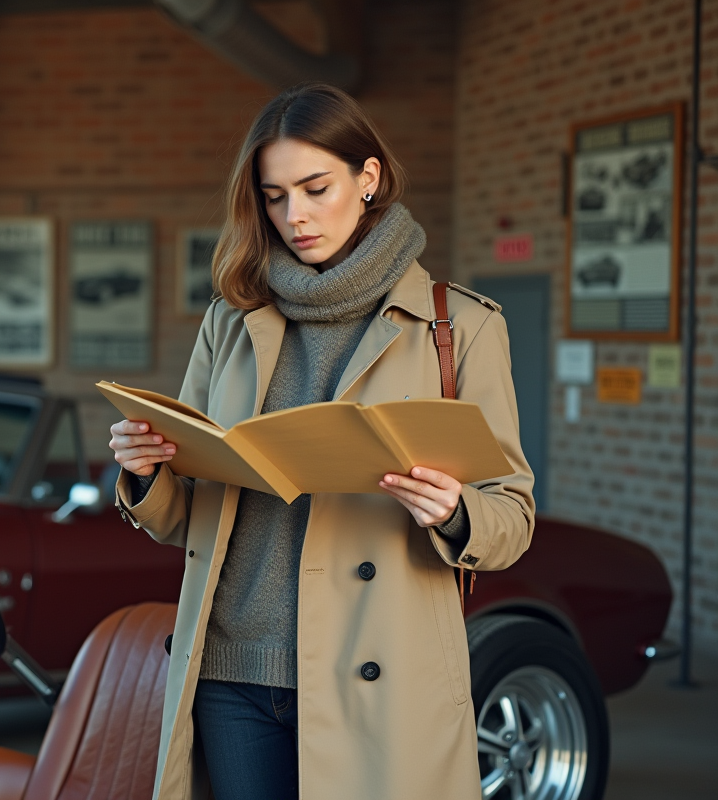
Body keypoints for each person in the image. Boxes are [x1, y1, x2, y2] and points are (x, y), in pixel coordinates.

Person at [109, 83, 535, 800]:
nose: (295, 216)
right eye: (275, 196)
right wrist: (148, 473)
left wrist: (454, 509)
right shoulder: (231, 321)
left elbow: (513, 519)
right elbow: (188, 517)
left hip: (377, 681)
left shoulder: (459, 329)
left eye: (315, 188)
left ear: (367, 178)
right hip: (231, 672)